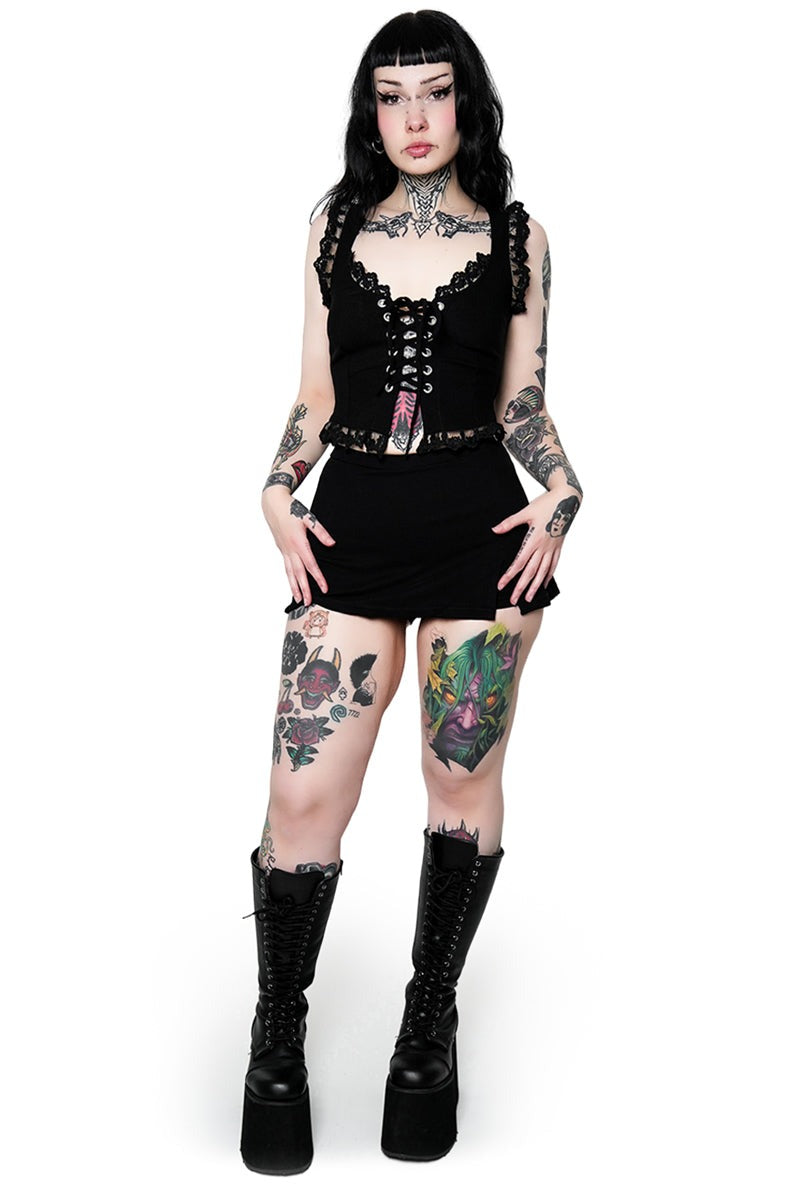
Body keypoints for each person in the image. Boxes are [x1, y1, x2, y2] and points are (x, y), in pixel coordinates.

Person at [240, 10, 584, 1175]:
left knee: (458, 772)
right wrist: (275, 489)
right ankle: (276, 1032)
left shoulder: (520, 237)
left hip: (479, 526)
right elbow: (313, 391)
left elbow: (522, 402)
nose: (414, 118)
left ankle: (426, 1024)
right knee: (301, 792)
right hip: (353, 522)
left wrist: (562, 488)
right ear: (368, 112)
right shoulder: (332, 227)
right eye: (391, 97)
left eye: (433, 92)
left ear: (465, 100)